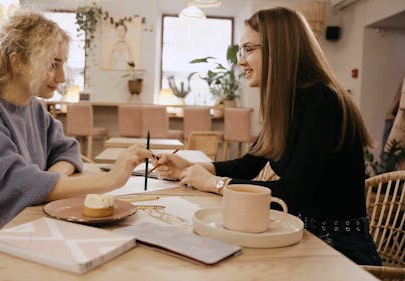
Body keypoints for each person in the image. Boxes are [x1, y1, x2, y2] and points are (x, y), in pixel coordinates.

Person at [0, 11, 152, 280]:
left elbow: (65, 150)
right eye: (52, 64)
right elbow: (8, 189)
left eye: (63, 64)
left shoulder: (32, 106)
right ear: (18, 62)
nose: (61, 76)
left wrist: (52, 176)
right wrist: (111, 180)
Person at [155, 7, 381, 266]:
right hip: (301, 232)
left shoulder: (321, 100)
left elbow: (290, 194)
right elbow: (248, 164)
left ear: (279, 50)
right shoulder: (287, 104)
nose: (240, 61)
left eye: (249, 49)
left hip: (340, 249)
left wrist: (213, 184)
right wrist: (191, 166)